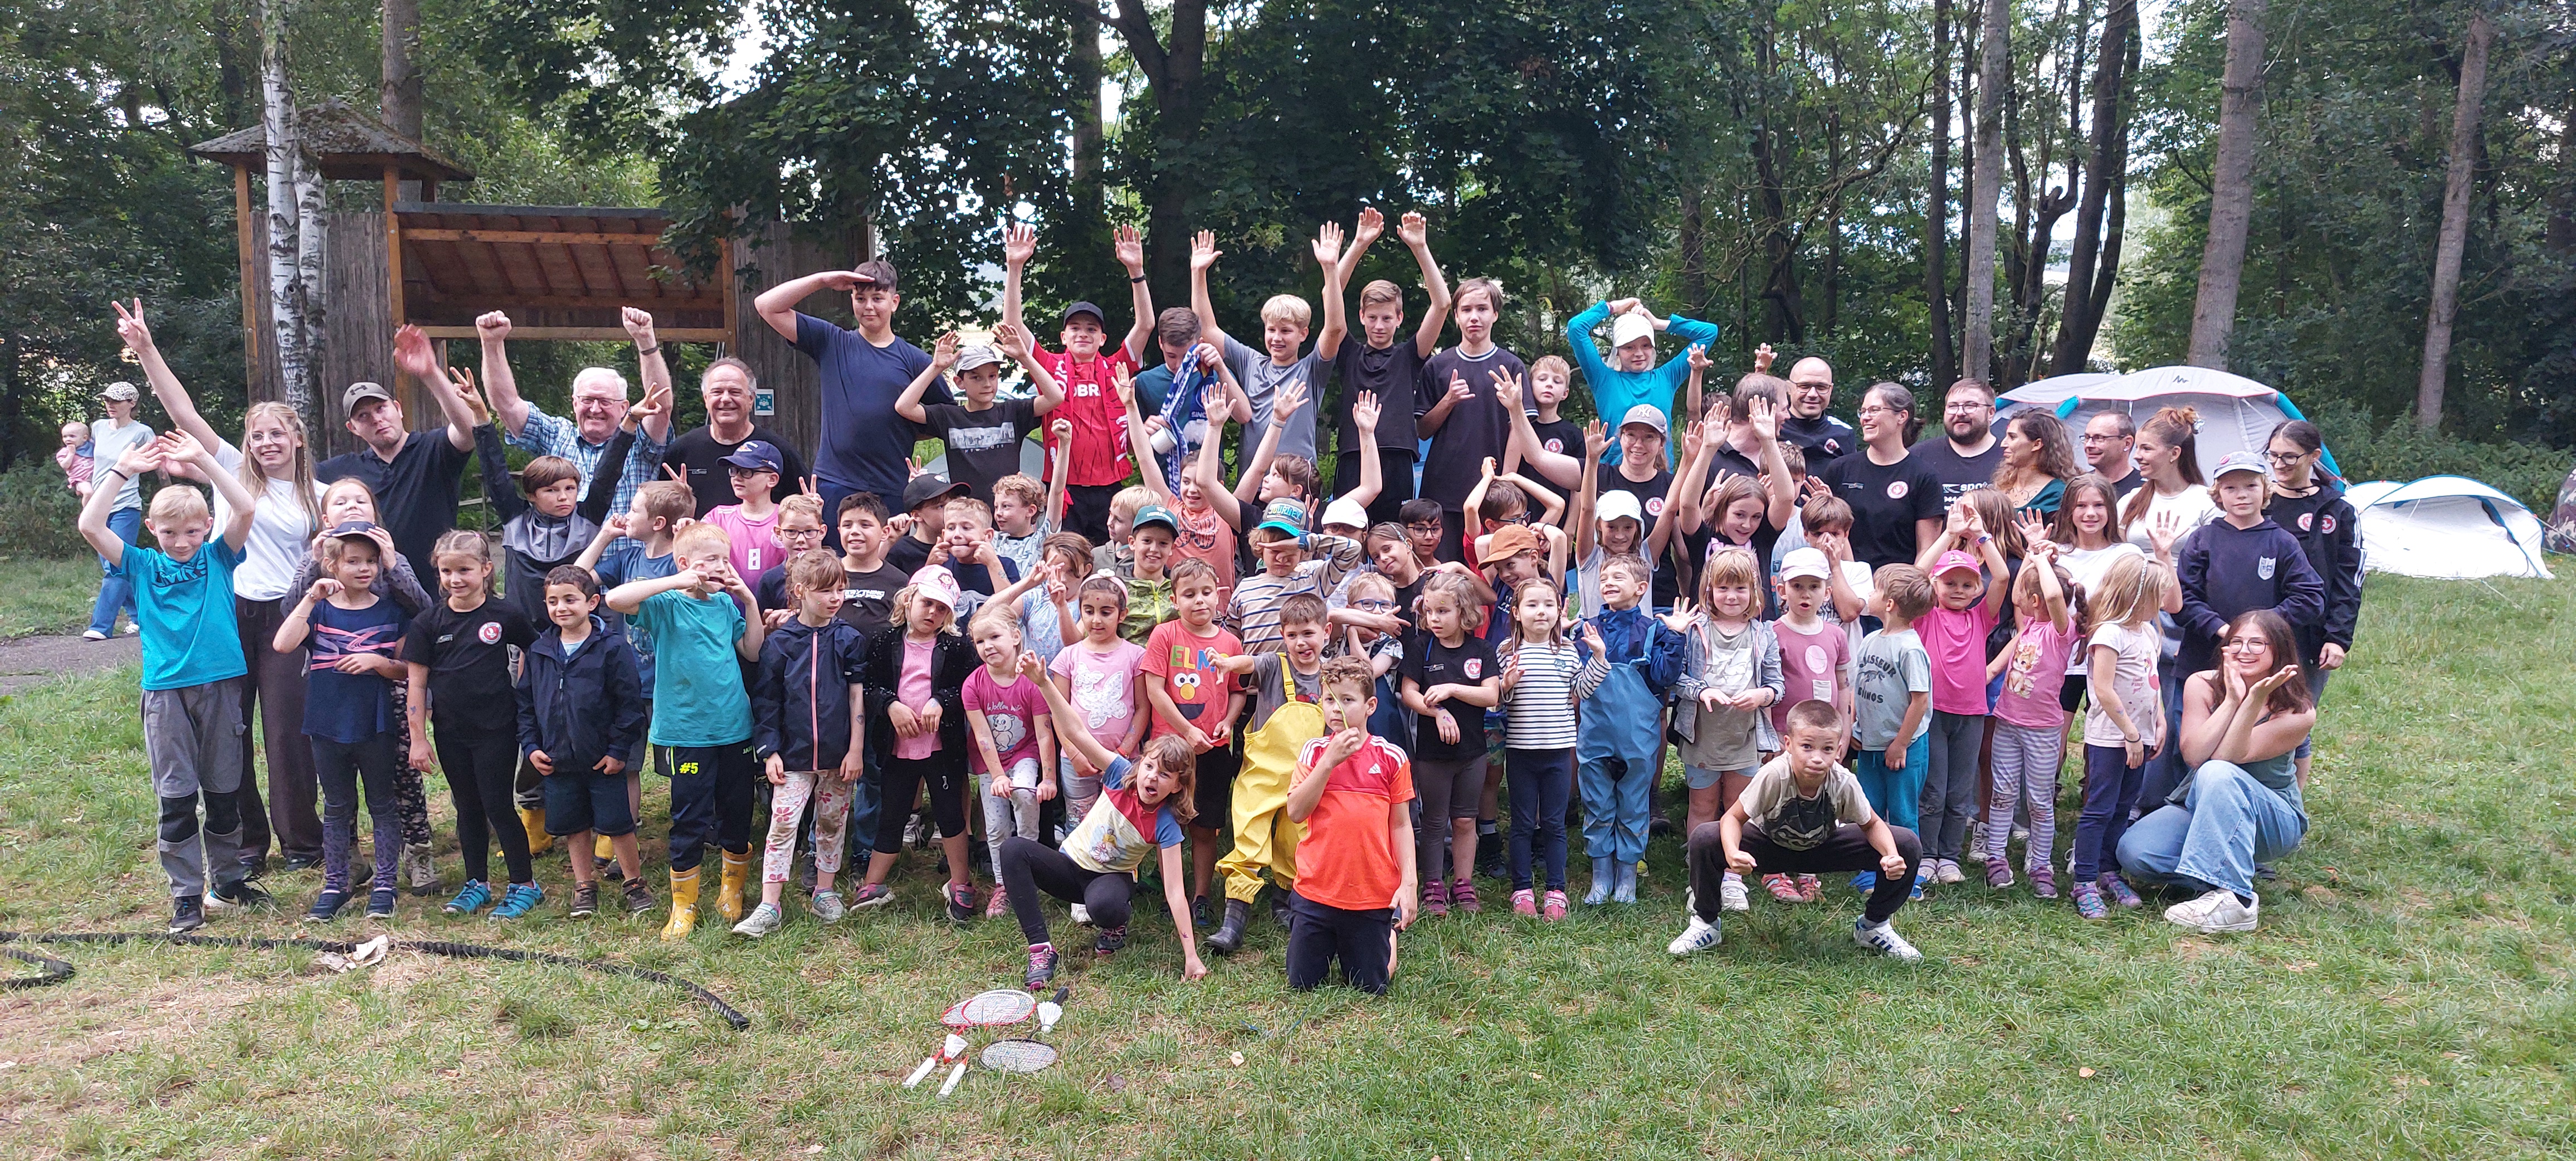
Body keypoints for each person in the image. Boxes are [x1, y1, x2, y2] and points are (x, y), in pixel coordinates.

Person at [119, 299, 324, 874]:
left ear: (298, 438)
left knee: (286, 735)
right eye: (257, 435)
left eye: (277, 433)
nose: (266, 443)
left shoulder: (321, 494)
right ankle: (247, 844)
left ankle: (303, 843)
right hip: (230, 614)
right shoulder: (230, 469)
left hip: (287, 619)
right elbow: (181, 410)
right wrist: (146, 349)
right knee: (229, 734)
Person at [81, 430, 268, 933]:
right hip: (166, 693)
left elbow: (246, 506)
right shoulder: (140, 564)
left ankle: (227, 880)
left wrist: (204, 458)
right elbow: (90, 524)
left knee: (225, 789)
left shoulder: (218, 556)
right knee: (177, 795)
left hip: (222, 687)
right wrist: (122, 470)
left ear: (207, 527)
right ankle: (186, 896)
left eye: (190, 532)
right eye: (169, 533)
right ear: (151, 530)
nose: (181, 543)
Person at [604, 522, 768, 939]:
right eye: (711, 560)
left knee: (737, 812)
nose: (721, 567)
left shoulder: (726, 605)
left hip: (734, 729)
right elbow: (615, 598)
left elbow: (752, 650)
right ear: (684, 563)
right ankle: (684, 905)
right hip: (686, 732)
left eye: (725, 560)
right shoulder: (667, 604)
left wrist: (749, 600)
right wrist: (677, 581)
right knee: (689, 817)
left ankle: (732, 891)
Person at [1667, 700, 1924, 962]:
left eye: (1827, 749)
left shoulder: (1844, 781)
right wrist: (1733, 853)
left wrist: (1891, 855)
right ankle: (1706, 923)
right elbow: (1733, 818)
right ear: (1789, 745)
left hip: (1823, 849)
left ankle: (1874, 926)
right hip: (1769, 847)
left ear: (1838, 750)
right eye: (1807, 747)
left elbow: (1873, 824)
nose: (1817, 758)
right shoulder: (1774, 775)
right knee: (1706, 838)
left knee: (1906, 843)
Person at [1009, 651, 1207, 987]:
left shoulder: (1166, 824)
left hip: (1111, 881)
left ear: (1178, 786)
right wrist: (1043, 683)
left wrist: (1191, 956)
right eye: (1150, 767)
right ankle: (1040, 947)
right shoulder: (1119, 772)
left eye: (1165, 775)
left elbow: (1175, 891)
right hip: (1070, 866)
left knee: (1103, 905)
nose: (1152, 778)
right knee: (1014, 850)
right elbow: (1077, 731)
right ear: (1140, 765)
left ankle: (1116, 923)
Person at [2118, 609, 2315, 934]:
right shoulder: (2202, 684)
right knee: (2136, 853)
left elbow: (2229, 757)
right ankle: (2226, 871)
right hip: (2201, 801)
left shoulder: (2299, 712)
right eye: (2236, 642)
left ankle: (2236, 901)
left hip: (2272, 817)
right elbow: (2195, 755)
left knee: (2219, 772)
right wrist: (2232, 700)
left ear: (2279, 650)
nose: (2244, 650)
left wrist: (2252, 701)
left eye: (2257, 643)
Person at [275, 523, 412, 923]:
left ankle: (385, 885)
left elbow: (406, 668)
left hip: (375, 722)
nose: (364, 569)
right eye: (353, 561)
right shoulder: (319, 610)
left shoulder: (392, 611)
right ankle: (335, 884)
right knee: (336, 806)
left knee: (382, 803)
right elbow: (282, 644)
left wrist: (377, 662)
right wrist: (310, 597)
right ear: (332, 565)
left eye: (370, 561)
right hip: (326, 721)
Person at [403, 530, 543, 919]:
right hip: (451, 730)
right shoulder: (428, 622)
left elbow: (536, 651)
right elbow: (416, 684)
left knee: (497, 804)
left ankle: (525, 885)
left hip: (497, 728)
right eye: (447, 571)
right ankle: (476, 883)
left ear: (485, 569)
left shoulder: (505, 614)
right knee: (466, 806)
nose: (455, 579)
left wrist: (526, 693)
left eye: (464, 570)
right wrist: (418, 739)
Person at [753, 257, 945, 537]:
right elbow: (766, 306)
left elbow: (945, 420)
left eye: (877, 298)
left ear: (894, 302)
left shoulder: (917, 361)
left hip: (891, 486)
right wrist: (823, 280)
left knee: (887, 560)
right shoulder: (832, 342)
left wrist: (905, 430)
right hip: (836, 483)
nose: (869, 307)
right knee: (832, 561)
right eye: (860, 298)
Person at [735, 549, 869, 936]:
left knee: (831, 822)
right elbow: (767, 701)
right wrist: (770, 751)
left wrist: (855, 750)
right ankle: (769, 905)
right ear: (799, 592)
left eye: (840, 589)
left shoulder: (849, 639)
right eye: (825, 591)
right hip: (792, 757)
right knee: (782, 824)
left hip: (838, 757)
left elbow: (857, 697)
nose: (835, 598)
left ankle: (824, 891)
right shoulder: (780, 643)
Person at [1000, 222, 1154, 542]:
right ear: (1063, 336)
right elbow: (1013, 325)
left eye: (1091, 329)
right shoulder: (1048, 366)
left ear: (1102, 338)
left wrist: (1136, 271)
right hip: (1062, 487)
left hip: (1109, 488)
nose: (1083, 334)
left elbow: (1145, 325)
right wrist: (1015, 268)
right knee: (1065, 558)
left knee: (1111, 558)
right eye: (1075, 328)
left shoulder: (1116, 367)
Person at [1203, 592, 1338, 951]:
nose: (1301, 643)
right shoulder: (1273, 666)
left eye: (1308, 633)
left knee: (1297, 841)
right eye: (1292, 635)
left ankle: (1285, 902)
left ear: (1326, 632)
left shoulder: (1331, 677)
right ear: (1283, 636)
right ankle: (1234, 921)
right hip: (1262, 775)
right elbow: (1247, 663)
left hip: (1306, 779)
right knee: (1250, 837)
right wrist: (1228, 664)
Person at [516, 566, 652, 919]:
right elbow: (525, 704)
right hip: (557, 760)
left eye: (570, 600)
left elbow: (629, 704)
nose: (561, 608)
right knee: (574, 826)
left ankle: (634, 883)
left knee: (618, 824)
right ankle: (584, 885)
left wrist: (618, 750)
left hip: (602, 759)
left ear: (592, 602)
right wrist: (532, 747)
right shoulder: (539, 650)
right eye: (553, 602)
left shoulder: (612, 647)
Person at [1282, 656, 1419, 995]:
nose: (1336, 709)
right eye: (1330, 699)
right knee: (1302, 983)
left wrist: (1409, 884)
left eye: (1347, 700)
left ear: (1370, 706)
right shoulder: (1313, 753)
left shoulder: (1391, 757)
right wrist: (1329, 762)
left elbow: (1401, 825)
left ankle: (1387, 934)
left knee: (1372, 985)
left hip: (1370, 895)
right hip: (1316, 891)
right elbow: (1296, 811)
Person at [852, 566, 981, 919]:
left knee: (949, 812)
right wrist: (890, 705)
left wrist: (941, 700)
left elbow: (968, 687)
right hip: (898, 748)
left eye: (942, 609)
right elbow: (869, 687)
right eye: (927, 603)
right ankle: (874, 882)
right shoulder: (884, 642)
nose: (932, 613)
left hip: (942, 747)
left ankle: (960, 881)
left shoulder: (956, 647)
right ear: (909, 599)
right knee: (892, 811)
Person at [313, 326, 485, 574]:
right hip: (370, 588)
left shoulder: (433, 450)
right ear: (353, 429)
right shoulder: (340, 471)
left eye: (381, 408)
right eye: (363, 416)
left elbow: (470, 430)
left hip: (437, 584)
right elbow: (291, 479)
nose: (376, 419)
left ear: (398, 408)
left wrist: (430, 374)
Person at [476, 308, 676, 521]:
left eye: (605, 402)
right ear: (575, 403)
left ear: (623, 407)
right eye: (587, 400)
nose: (595, 409)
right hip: (564, 545)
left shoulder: (641, 439)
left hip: (628, 544)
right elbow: (507, 405)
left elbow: (660, 406)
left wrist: (646, 341)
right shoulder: (556, 435)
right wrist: (491, 344)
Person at [1670, 548, 1784, 913]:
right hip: (1704, 735)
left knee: (1738, 807)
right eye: (1723, 588)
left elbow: (1777, 685)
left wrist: (1763, 696)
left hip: (1745, 736)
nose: (1731, 597)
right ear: (1709, 590)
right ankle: (1701, 876)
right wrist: (1702, 691)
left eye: (1740, 589)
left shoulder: (1763, 634)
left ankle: (1734, 877)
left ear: (1754, 592)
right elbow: (1676, 678)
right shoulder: (1695, 631)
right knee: (1703, 806)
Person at [1319, 207, 1451, 525]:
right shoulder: (1348, 351)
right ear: (1362, 317)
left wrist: (1420, 247)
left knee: (1394, 536)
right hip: (1354, 455)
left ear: (1399, 318)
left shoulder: (1409, 356)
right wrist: (1359, 243)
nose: (1379, 325)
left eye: (1387, 318)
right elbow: (1330, 293)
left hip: (1397, 457)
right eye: (1373, 318)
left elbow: (1442, 304)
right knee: (1347, 533)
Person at [1574, 554, 1684, 904]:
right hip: (1596, 734)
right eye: (1604, 578)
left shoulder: (1654, 631)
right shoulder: (1586, 630)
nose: (1608, 582)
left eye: (1618, 577)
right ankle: (1601, 875)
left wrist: (1676, 636)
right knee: (1597, 801)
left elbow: (1666, 676)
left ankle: (1627, 875)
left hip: (1638, 736)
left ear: (1641, 588)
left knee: (1635, 804)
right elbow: (1577, 681)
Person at [2261, 419, 2360, 786]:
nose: (2279, 464)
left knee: (2296, 714)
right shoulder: (2259, 500)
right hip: (2258, 631)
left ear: (2314, 456)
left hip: (2311, 634)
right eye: (2273, 456)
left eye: (2290, 457)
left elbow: (2349, 578)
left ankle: (2292, 800)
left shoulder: (2338, 510)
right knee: (2255, 714)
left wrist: (2338, 637)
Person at [1395, 573, 1501, 917]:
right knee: (1435, 821)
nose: (1434, 619)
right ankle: (1433, 884)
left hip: (1473, 753)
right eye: (1429, 612)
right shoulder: (1422, 647)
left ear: (1464, 611)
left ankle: (1463, 883)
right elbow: (1408, 692)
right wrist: (1437, 712)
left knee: (1466, 820)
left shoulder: (1481, 650)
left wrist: (1453, 689)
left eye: (1443, 611)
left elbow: (1491, 695)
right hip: (1432, 755)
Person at [1143, 558, 1243, 921]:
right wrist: (1186, 731)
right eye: (1189, 594)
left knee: (1205, 826)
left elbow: (1237, 691)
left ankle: (1201, 896)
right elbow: (1155, 690)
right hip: (1170, 749)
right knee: (1168, 822)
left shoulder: (1231, 643)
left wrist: (1228, 722)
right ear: (1174, 600)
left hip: (1213, 751)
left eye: (1206, 592)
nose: (1199, 600)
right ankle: (1173, 894)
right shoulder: (1164, 635)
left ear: (1218, 596)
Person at [1192, 225, 1337, 469]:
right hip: (1253, 482)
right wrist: (1198, 273)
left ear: (1303, 334)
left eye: (1286, 331)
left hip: (1296, 482)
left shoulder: (1312, 369)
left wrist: (1330, 270)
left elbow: (1334, 329)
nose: (1277, 338)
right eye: (1271, 330)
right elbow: (1207, 329)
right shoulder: (1250, 361)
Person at [1980, 537, 2079, 896]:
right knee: (2003, 794)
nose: (2017, 598)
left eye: (2025, 593)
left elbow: (2052, 596)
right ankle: (1996, 857)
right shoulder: (2030, 626)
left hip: (2042, 731)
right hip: (2008, 722)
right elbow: (2022, 594)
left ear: (2036, 601)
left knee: (2039, 801)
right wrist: (2031, 555)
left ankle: (2040, 864)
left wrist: (2040, 563)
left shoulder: (2061, 632)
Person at [2071, 552, 2167, 920]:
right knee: (2100, 807)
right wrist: (2130, 733)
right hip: (2112, 738)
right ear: (2136, 594)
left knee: (2124, 807)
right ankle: (2084, 880)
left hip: (2140, 737)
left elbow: (2153, 681)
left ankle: (2108, 871)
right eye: (2157, 595)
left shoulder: (2148, 632)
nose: (2161, 603)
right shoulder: (2110, 634)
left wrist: (2159, 720)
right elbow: (2104, 688)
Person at [1416, 278, 1528, 560]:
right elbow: (1422, 430)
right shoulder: (1437, 366)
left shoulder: (1511, 366)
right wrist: (1448, 401)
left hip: (1494, 496)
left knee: (1490, 573)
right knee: (1444, 573)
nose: (1474, 317)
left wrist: (1506, 482)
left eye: (1482, 309)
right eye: (1466, 310)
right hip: (1444, 492)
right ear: (1456, 316)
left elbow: (1520, 430)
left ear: (1495, 314)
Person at [895, 325, 1066, 505]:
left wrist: (1025, 357)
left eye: (992, 376)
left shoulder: (1014, 412)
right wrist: (936, 367)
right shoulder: (948, 416)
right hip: (967, 513)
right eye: (976, 378)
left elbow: (1056, 397)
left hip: (1007, 511)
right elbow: (904, 407)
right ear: (959, 382)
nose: (987, 384)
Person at [1494, 577, 1580, 919]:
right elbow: (1499, 701)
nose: (1541, 612)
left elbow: (1581, 692)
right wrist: (1507, 684)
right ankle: (1522, 888)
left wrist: (1600, 660)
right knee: (1522, 823)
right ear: (1517, 612)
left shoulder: (1568, 651)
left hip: (1559, 751)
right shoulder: (1506, 652)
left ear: (1560, 611)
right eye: (1532, 605)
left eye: (1548, 605)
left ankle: (1556, 890)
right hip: (1521, 751)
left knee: (1555, 823)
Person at [962, 608, 1056, 919]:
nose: (987, 646)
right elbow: (982, 735)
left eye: (994, 637)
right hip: (991, 763)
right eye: (980, 641)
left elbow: (1044, 734)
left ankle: (1027, 866)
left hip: (1024, 754)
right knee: (995, 827)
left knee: (1026, 795)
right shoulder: (973, 685)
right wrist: (998, 776)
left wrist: (1049, 779)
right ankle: (1004, 885)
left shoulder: (1031, 681)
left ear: (1016, 637)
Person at [1848, 564, 1933, 895]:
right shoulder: (1871, 640)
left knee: (1902, 813)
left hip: (1903, 749)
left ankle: (1907, 878)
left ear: (1889, 604)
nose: (1869, 594)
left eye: (1875, 589)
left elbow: (1920, 701)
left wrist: (1900, 744)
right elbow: (1859, 688)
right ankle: (1873, 869)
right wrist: (1856, 727)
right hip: (1871, 744)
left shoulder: (1910, 649)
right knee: (1869, 809)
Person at [1562, 296, 1722, 469]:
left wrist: (1658, 324)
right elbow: (1576, 328)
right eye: (1629, 347)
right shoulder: (1604, 380)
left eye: (1646, 345)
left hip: (1660, 476)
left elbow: (1709, 332)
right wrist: (1612, 307)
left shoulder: (1667, 377)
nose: (1639, 353)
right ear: (1617, 351)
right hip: (1614, 475)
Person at [1048, 575, 1149, 827]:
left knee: (1120, 824)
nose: (1096, 620)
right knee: (1080, 824)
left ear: (1122, 614)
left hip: (1122, 759)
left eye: (1106, 612)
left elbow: (1142, 708)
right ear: (1080, 611)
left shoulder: (1136, 656)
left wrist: (1121, 754)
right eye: (1089, 611)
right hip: (1076, 760)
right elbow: (1058, 712)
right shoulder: (1068, 657)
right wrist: (1074, 754)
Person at [1820, 383, 1945, 573]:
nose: (1865, 418)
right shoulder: (1840, 470)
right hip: (1843, 581)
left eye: (1874, 410)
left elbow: (1927, 550)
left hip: (1896, 586)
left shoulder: (1924, 477)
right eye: (1863, 411)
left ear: (1902, 416)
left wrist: (1908, 587)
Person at [662, 359, 808, 517]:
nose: (725, 399)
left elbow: (804, 510)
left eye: (735, 392)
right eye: (717, 392)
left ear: (751, 399)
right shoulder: (682, 450)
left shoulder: (777, 451)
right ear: (706, 399)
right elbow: (662, 512)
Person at [82, 380, 155, 640]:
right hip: (98, 506)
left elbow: (157, 462)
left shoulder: (143, 432)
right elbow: (87, 460)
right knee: (116, 565)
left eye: (116, 400)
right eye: (107, 400)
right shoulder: (98, 427)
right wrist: (82, 484)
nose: (110, 405)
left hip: (126, 506)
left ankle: (100, 627)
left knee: (115, 565)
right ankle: (143, 617)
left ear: (132, 403)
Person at [699, 438, 792, 584]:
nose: (737, 477)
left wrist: (811, 516)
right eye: (733, 471)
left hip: (779, 599)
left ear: (772, 480)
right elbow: (694, 553)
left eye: (746, 472)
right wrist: (685, 522)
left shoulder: (789, 519)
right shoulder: (718, 517)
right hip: (726, 599)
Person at [1909, 378, 2004, 507]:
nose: (1960, 413)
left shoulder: (2010, 457)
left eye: (1970, 406)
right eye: (1953, 406)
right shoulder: (1918, 458)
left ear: (1991, 413)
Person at [1992, 410, 2077, 515]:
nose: (2003, 444)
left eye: (2012, 437)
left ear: (2037, 444)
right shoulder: (2002, 485)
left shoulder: (2057, 493)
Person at [885, 473, 967, 578]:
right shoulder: (901, 551)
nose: (951, 510)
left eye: (952, 503)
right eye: (941, 506)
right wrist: (930, 567)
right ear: (917, 515)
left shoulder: (962, 542)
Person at [2082, 411, 2144, 499]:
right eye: (2087, 438)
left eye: (2099, 438)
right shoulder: (2078, 486)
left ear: (2127, 443)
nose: (2089, 445)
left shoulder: (2146, 489)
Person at [58, 420, 93, 499]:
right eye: (65, 437)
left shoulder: (92, 446)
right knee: (89, 493)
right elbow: (65, 466)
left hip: (95, 476)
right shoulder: (64, 452)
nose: (68, 439)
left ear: (84, 438)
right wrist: (71, 454)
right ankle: (87, 508)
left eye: (72, 436)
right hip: (81, 480)